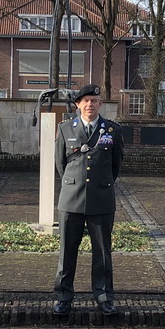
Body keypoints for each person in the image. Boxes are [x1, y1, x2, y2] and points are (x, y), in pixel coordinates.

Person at [53, 84, 124, 315]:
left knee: (102, 252)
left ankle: (104, 296)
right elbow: (61, 164)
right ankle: (63, 297)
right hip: (71, 199)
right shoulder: (65, 129)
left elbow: (115, 166)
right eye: (85, 101)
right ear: (78, 104)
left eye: (94, 101)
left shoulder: (112, 130)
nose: (89, 105)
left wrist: (99, 185)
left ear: (100, 103)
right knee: (67, 251)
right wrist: (74, 184)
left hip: (101, 199)